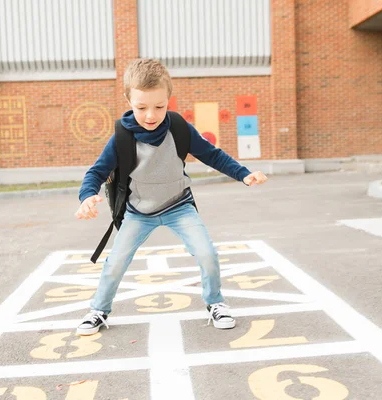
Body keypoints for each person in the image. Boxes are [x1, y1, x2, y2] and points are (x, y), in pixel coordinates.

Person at [74, 58, 267, 336]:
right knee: (116, 261)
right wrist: (87, 196)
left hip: (179, 205)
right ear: (128, 99)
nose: (151, 115)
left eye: (159, 107)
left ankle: (215, 303)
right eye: (141, 107)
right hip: (139, 212)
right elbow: (96, 172)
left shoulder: (179, 128)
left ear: (169, 99)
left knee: (207, 253)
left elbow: (212, 154)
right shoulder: (121, 138)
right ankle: (98, 310)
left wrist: (243, 174)